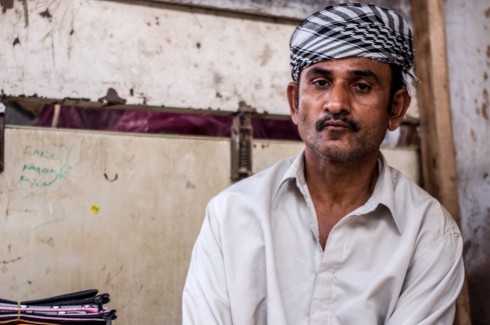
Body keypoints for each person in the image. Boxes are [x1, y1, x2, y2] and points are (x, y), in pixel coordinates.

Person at [182, 3, 465, 324]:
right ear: (294, 102)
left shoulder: (429, 234)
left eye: (361, 86)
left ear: (396, 108)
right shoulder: (229, 216)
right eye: (320, 82)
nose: (336, 103)